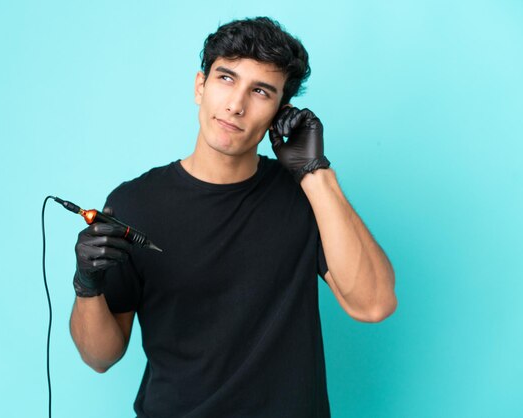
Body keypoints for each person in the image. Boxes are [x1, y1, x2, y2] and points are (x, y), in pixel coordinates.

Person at [69, 16, 397, 418]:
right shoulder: (135, 203)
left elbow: (374, 304)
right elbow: (100, 357)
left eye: (260, 91)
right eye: (226, 78)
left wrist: (315, 173)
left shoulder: (304, 196)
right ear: (199, 87)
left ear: (281, 112)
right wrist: (87, 284)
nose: (236, 105)